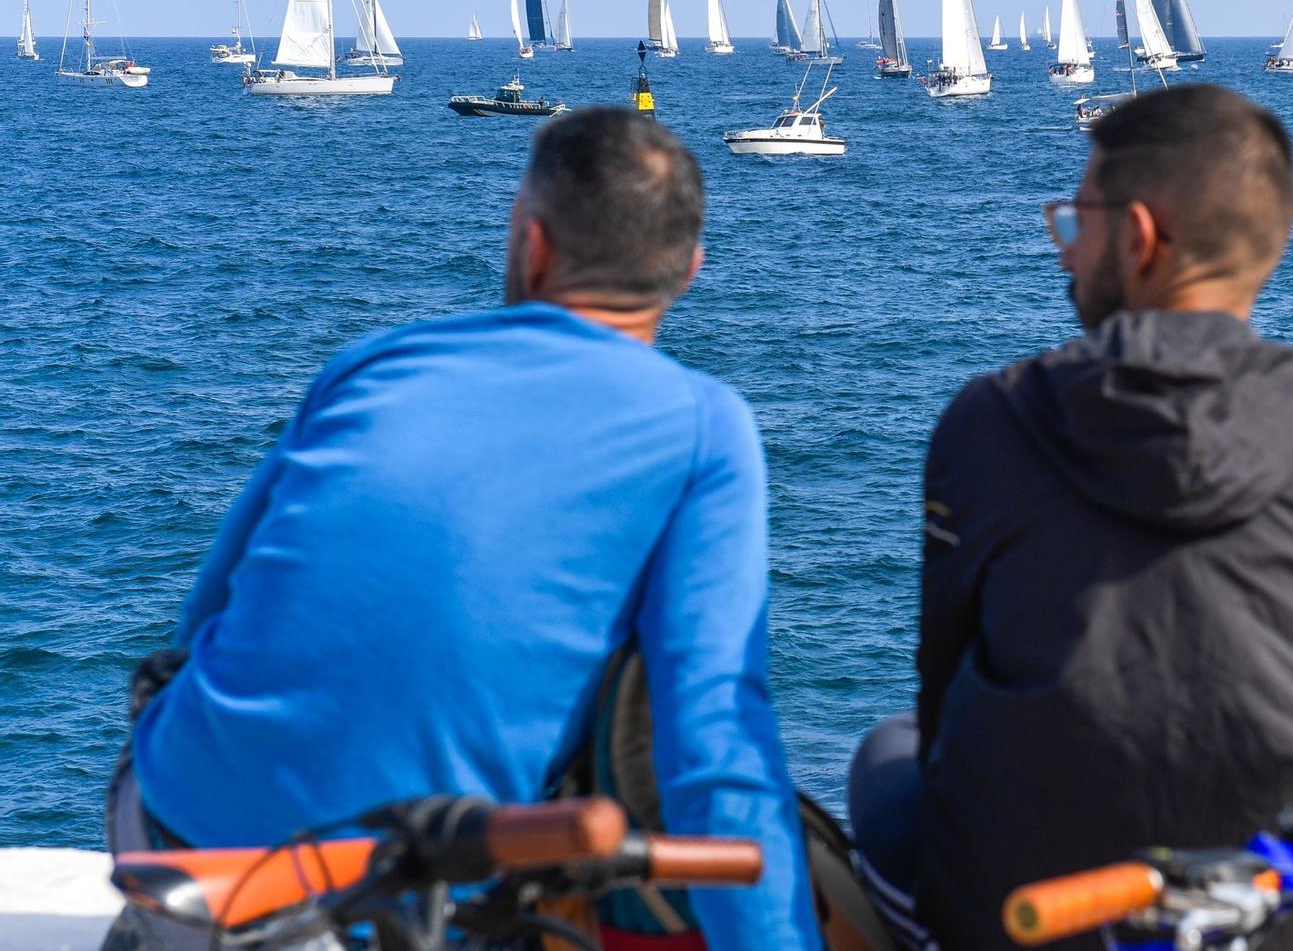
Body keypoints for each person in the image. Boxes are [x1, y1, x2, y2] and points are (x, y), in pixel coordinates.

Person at [847, 85, 1293, 950]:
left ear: (1140, 238)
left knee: (885, 750)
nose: (1064, 255)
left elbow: (942, 713)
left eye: (1076, 224)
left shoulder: (985, 423)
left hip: (1024, 910)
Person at [105, 108, 819, 950]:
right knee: (637, 674)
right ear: (689, 270)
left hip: (181, 835)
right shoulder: (706, 426)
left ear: (533, 242)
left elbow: (202, 623)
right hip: (416, 882)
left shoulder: (373, 365)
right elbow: (714, 741)